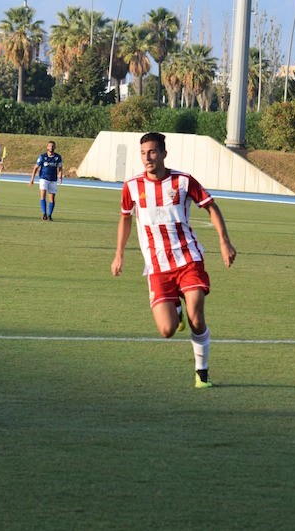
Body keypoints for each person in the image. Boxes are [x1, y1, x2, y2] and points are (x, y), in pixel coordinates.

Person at [110, 132, 236, 389]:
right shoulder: (132, 186)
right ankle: (174, 311)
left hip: (188, 258)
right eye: (143, 153)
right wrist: (119, 254)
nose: (148, 157)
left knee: (197, 317)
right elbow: (125, 218)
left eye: (153, 152)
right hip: (157, 266)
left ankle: (202, 373)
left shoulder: (183, 181)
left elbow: (211, 206)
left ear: (164, 154)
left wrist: (224, 241)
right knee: (167, 330)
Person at [28, 141, 63, 221]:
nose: (51, 147)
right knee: (43, 195)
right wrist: (32, 179)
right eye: (50, 146)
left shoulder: (58, 157)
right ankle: (44, 213)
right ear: (47, 147)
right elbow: (35, 168)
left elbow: (60, 168)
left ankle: (50, 215)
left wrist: (60, 177)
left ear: (55, 147)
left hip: (53, 179)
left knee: (52, 199)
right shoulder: (42, 157)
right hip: (43, 178)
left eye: (53, 146)